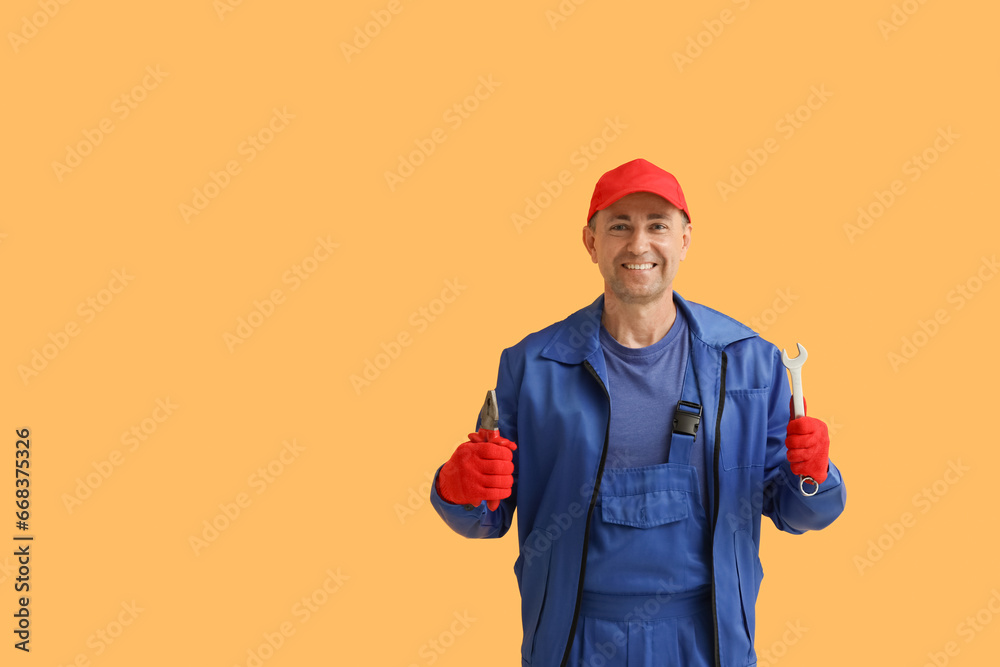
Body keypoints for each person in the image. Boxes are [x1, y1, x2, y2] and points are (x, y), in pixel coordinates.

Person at [429, 158, 846, 667]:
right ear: (591, 242)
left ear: (686, 239)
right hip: (574, 639)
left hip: (708, 640)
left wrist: (814, 476)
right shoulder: (533, 367)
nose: (639, 244)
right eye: (619, 226)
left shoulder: (749, 362)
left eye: (657, 226)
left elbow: (800, 512)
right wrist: (458, 487)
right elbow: (485, 520)